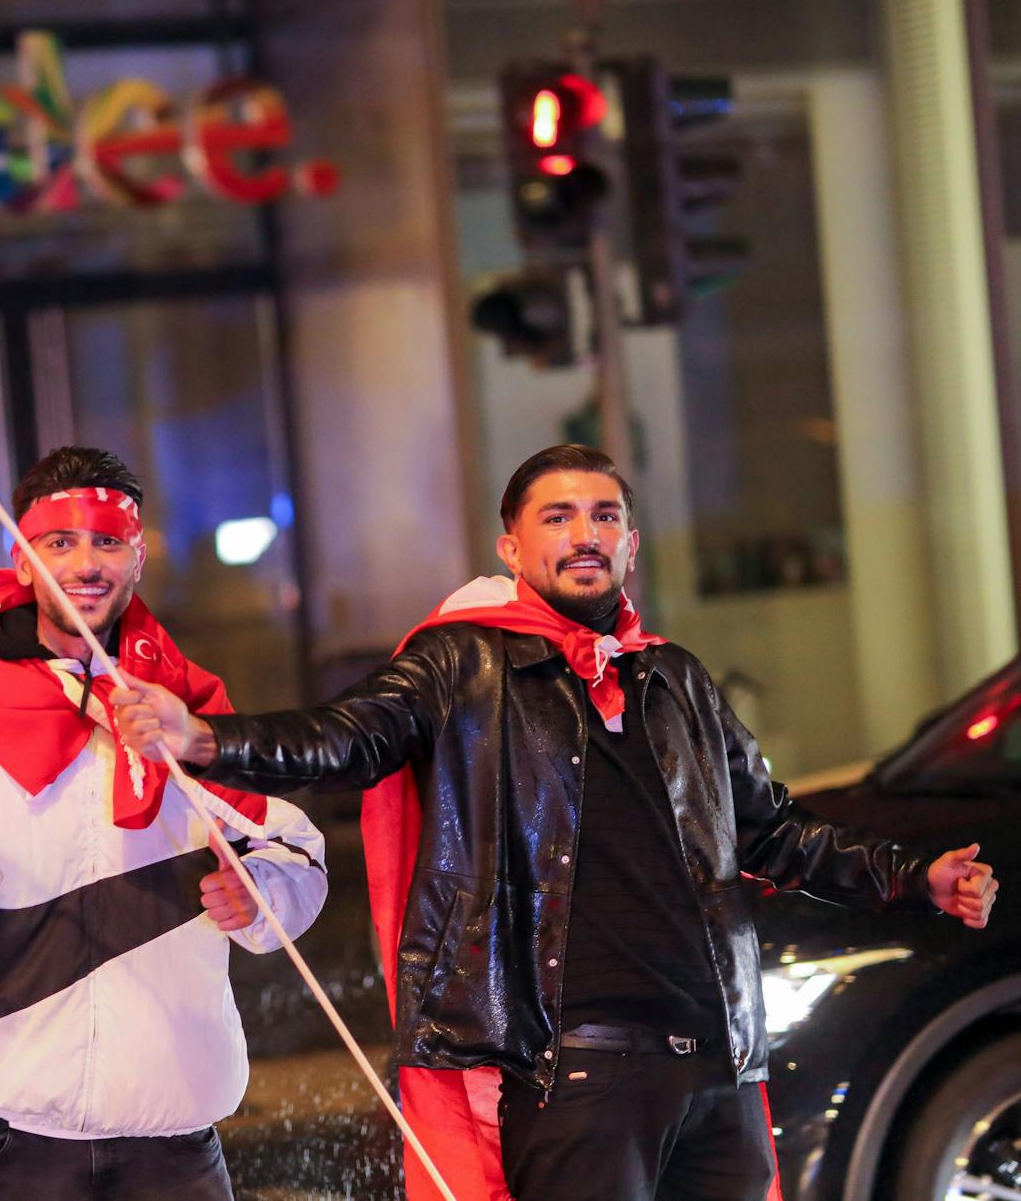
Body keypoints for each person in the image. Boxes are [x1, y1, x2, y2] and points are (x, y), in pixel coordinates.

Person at [110, 443, 998, 1201]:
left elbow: (772, 832)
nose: (585, 534)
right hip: (575, 1066)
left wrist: (912, 877)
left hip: (718, 1066)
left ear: (631, 543)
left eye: (604, 515)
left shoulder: (675, 678)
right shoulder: (462, 661)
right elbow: (347, 737)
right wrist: (205, 738)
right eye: (559, 517)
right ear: (512, 545)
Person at [0, 446, 329, 1201]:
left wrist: (263, 895)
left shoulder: (184, 709)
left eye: (108, 542)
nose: (86, 562)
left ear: (137, 559)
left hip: (173, 1144)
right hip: (4, 1143)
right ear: (22, 560)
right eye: (61, 542)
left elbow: (295, 850)